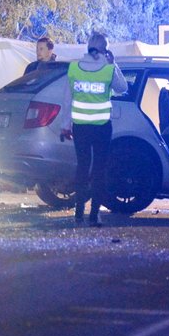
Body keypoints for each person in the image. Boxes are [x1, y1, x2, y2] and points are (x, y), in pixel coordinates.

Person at [60, 32, 127, 227]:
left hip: (80, 127)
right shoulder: (107, 69)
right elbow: (122, 87)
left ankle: (78, 213)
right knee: (99, 169)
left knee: (82, 167)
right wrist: (113, 64)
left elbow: (67, 99)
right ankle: (94, 215)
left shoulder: (74, 68)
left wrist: (65, 126)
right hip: (101, 127)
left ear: (88, 47)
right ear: (106, 49)